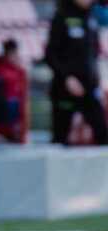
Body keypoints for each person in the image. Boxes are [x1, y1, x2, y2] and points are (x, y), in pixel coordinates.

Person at [46, 0, 107, 145]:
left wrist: (96, 78)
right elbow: (50, 55)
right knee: (60, 137)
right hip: (65, 88)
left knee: (102, 133)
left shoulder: (92, 17)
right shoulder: (62, 17)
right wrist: (67, 78)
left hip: (89, 87)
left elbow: (94, 53)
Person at [0, 39, 29, 143]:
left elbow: (23, 97)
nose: (14, 56)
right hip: (0, 113)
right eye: (11, 53)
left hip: (15, 114)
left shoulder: (20, 72)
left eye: (15, 53)